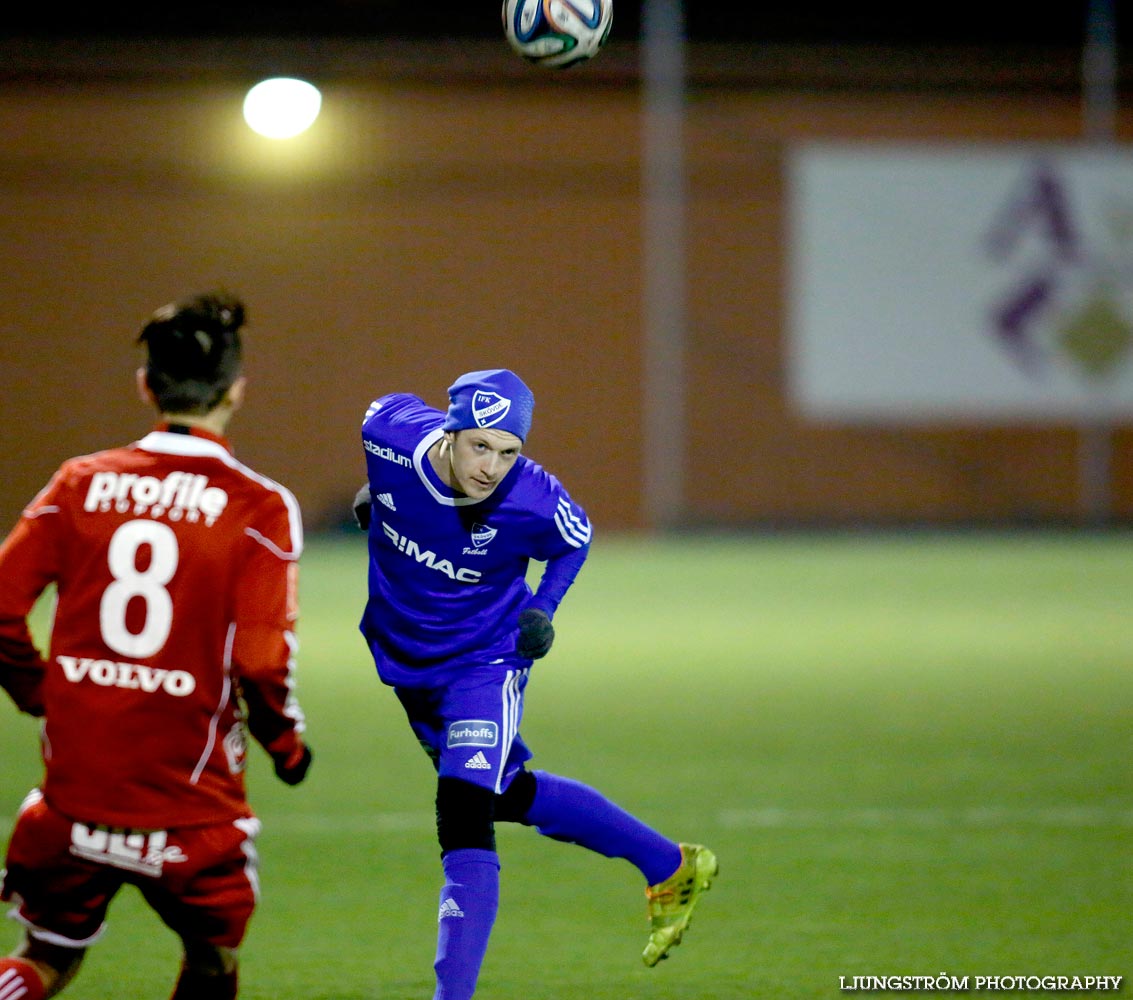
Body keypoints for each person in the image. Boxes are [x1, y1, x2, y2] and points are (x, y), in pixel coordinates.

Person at [354, 368, 717, 1000]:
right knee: (503, 794)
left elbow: (575, 540)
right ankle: (670, 864)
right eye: (479, 445)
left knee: (463, 812)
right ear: (451, 430)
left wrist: (542, 608)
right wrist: (377, 496)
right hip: (407, 657)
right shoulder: (387, 433)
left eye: (508, 451)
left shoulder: (533, 497)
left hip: (485, 661)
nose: (492, 466)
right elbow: (385, 441)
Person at [0, 291, 312, 1000]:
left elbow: (0, 607)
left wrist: (38, 693)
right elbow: (262, 660)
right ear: (237, 389)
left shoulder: (78, 484)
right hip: (193, 818)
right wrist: (286, 746)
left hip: (70, 804)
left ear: (146, 385)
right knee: (211, 962)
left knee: (44, 952)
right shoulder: (258, 505)